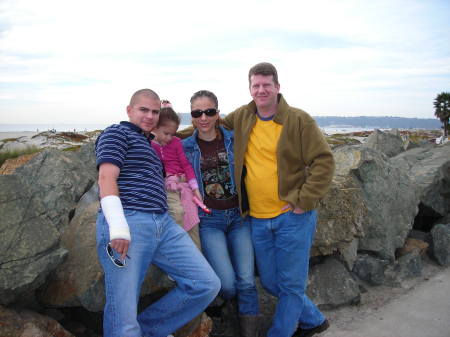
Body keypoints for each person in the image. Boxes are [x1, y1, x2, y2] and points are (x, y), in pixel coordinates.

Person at [221, 63, 335, 337]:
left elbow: (324, 162)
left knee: (292, 286)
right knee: (273, 283)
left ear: (277, 87)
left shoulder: (298, 120)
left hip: (292, 217)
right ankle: (314, 320)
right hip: (258, 218)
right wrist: (165, 136)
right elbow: (207, 128)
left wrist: (303, 199)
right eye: (256, 85)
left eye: (266, 85)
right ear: (250, 88)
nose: (261, 90)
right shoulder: (243, 116)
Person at [95, 88, 220, 337]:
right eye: (143, 110)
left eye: (154, 111)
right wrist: (118, 227)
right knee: (123, 316)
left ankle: (148, 331)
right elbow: (106, 176)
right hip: (129, 221)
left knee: (206, 284)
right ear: (129, 110)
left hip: (164, 224)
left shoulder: (149, 143)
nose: (150, 116)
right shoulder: (115, 133)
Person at [182, 90, 260, 337]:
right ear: (191, 116)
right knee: (226, 284)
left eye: (209, 111)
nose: (203, 117)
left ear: (218, 113)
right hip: (209, 222)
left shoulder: (234, 140)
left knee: (247, 281)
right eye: (197, 113)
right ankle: (229, 304)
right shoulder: (184, 147)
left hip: (239, 218)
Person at [151, 106, 202, 249]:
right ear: (155, 127)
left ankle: (197, 256)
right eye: (166, 133)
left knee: (193, 220)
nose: (169, 138)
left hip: (184, 185)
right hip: (167, 186)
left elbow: (186, 165)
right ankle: (178, 249)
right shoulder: (149, 145)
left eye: (172, 134)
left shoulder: (176, 143)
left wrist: (195, 188)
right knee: (177, 213)